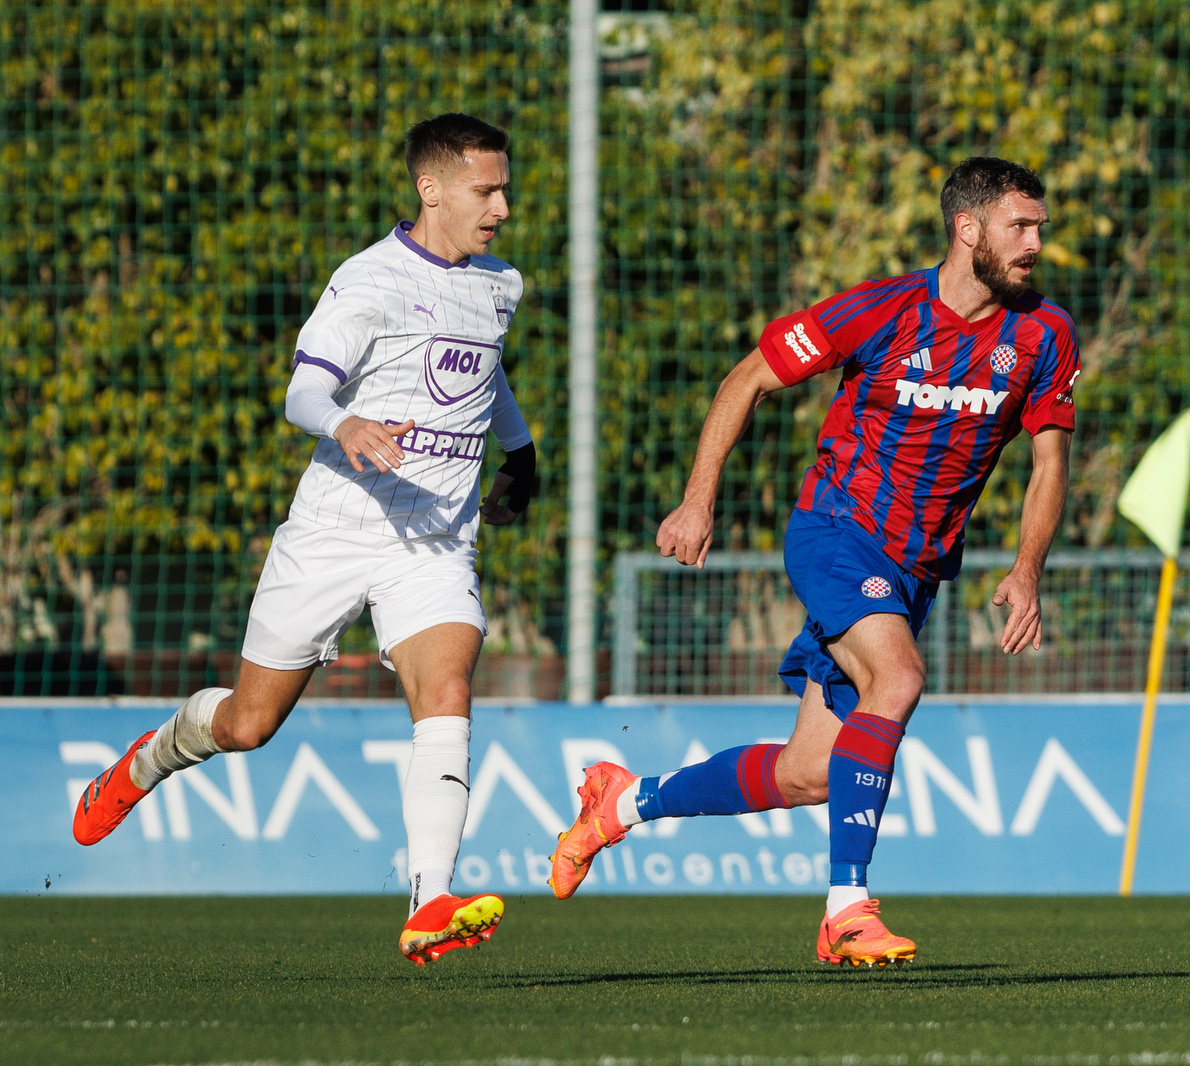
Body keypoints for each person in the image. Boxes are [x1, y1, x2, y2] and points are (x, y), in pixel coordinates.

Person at [549, 157, 1080, 967]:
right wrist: (698, 500)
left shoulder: (1044, 332)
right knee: (897, 680)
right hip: (836, 531)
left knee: (809, 775)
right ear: (967, 229)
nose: (1036, 242)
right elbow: (748, 379)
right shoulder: (881, 310)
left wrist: (1028, 567)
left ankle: (623, 805)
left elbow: (1049, 462)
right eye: (1021, 226)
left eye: (1039, 226)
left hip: (919, 567)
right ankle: (846, 912)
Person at [71, 113, 540, 967]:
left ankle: (430, 898)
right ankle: (149, 757)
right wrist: (347, 423)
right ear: (430, 189)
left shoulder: (500, 283)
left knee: (448, 693)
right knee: (249, 726)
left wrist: (522, 452)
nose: (502, 207)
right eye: (486, 189)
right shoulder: (367, 282)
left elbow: (488, 363)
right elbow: (302, 394)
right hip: (334, 531)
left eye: (505, 188)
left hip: (433, 541)